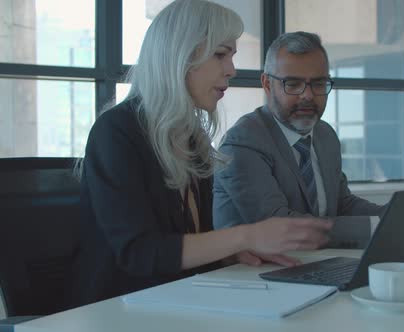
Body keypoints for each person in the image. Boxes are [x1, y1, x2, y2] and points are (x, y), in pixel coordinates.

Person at [70, 1, 332, 307]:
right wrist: (246, 236)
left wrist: (233, 253)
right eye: (220, 54)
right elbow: (139, 254)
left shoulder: (191, 139)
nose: (232, 70)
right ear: (179, 57)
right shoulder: (115, 132)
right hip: (113, 314)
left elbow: (189, 244)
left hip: (176, 305)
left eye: (232, 56)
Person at [213, 31, 385, 230]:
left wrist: (392, 216)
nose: (308, 95)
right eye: (293, 84)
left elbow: (342, 205)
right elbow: (279, 225)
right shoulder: (243, 142)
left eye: (319, 83)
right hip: (260, 261)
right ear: (267, 84)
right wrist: (373, 226)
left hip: (320, 259)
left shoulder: (325, 135)